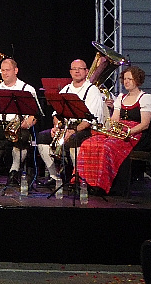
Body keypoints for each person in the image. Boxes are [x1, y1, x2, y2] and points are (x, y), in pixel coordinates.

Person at [75, 66, 151, 194]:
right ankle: (86, 182)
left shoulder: (146, 98)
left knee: (107, 147)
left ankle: (103, 185)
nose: (126, 82)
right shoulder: (121, 98)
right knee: (89, 143)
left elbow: (144, 124)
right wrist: (109, 128)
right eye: (125, 79)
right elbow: (114, 119)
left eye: (130, 79)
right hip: (119, 131)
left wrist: (127, 132)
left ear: (138, 80)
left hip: (136, 135)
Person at [36, 59, 108, 188]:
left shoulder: (92, 91)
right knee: (42, 137)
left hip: (85, 129)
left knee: (74, 139)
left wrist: (73, 131)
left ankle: (78, 178)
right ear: (70, 72)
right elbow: (56, 114)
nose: (77, 71)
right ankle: (54, 176)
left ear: (86, 71)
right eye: (74, 69)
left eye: (80, 69)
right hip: (66, 127)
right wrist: (56, 127)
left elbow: (89, 120)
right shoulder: (66, 89)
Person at [0, 59, 41, 186]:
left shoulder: (27, 89)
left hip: (18, 126)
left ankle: (13, 171)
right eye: (2, 70)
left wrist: (28, 123)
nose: (5, 73)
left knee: (23, 137)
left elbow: (34, 114)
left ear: (16, 71)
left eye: (8, 70)